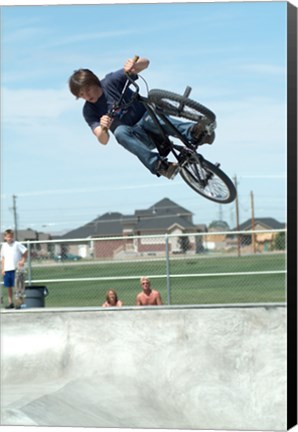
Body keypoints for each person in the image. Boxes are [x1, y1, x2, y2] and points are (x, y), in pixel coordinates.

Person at [68, 56, 215, 179]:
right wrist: (104, 130)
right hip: (139, 138)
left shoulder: (110, 82)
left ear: (94, 82)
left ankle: (195, 132)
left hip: (152, 121)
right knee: (119, 132)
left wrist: (135, 65)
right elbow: (103, 140)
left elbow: (146, 63)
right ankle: (160, 166)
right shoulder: (89, 110)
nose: (87, 96)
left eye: (87, 90)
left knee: (149, 118)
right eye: (81, 95)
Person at [1, 229, 28, 309]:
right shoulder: (4, 246)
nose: (10, 238)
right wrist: (2, 269)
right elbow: (3, 258)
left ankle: (18, 303)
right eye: (8, 237)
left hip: (16, 269)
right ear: (5, 237)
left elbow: (25, 251)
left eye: (11, 237)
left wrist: (22, 260)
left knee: (17, 286)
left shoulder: (17, 244)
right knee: (8, 286)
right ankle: (10, 303)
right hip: (7, 269)